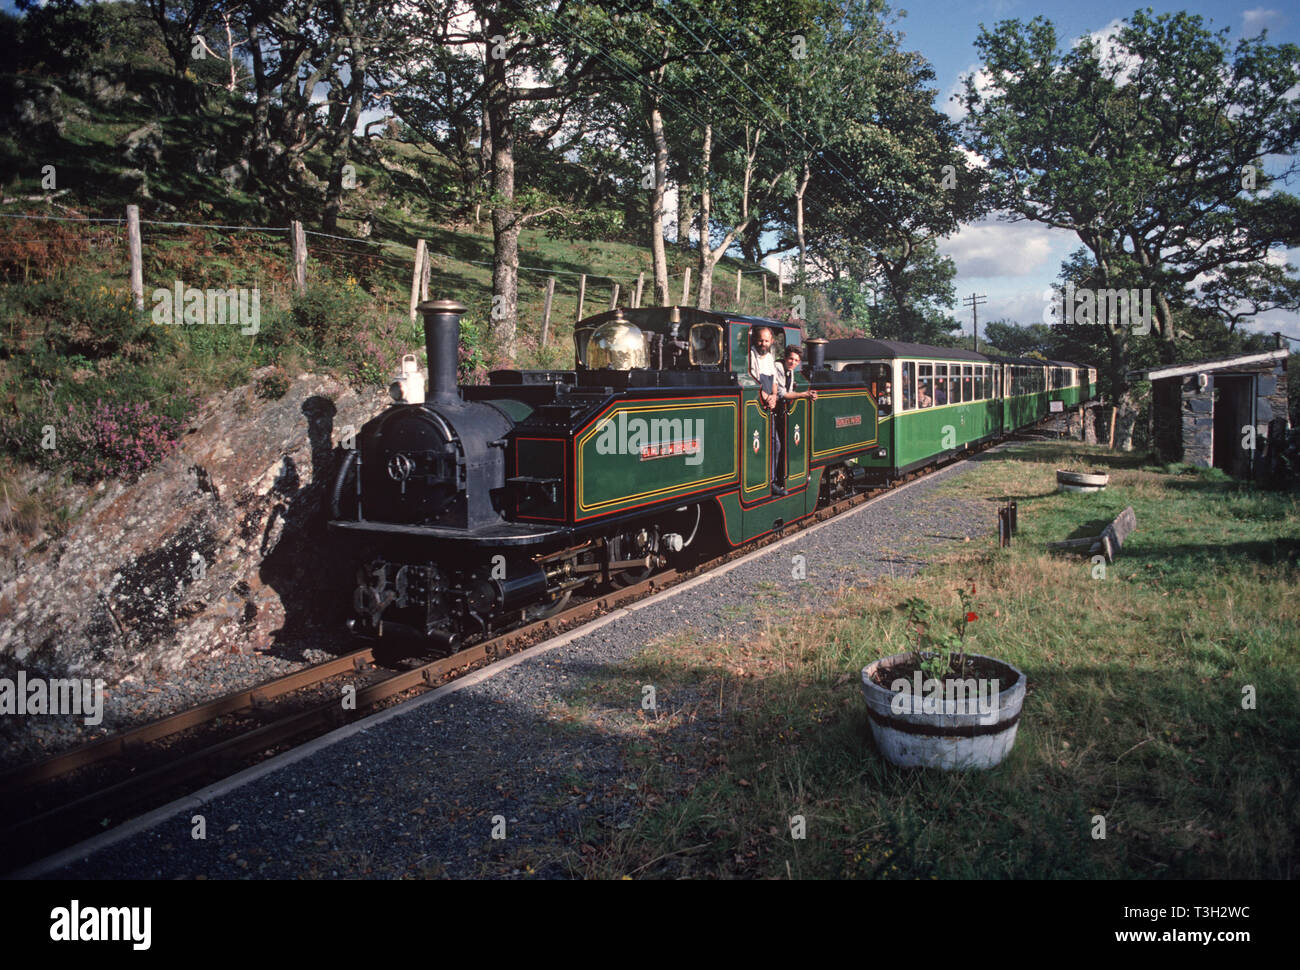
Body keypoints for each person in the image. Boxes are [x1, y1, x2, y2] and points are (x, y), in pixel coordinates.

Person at [772, 345, 817, 493]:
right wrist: (804, 394)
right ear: (785, 357)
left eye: (796, 360)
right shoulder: (778, 367)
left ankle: (781, 478)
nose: (793, 362)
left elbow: (789, 392)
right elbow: (783, 394)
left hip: (780, 413)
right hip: (771, 411)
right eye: (791, 358)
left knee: (783, 445)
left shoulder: (790, 372)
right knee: (776, 446)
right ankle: (772, 481)